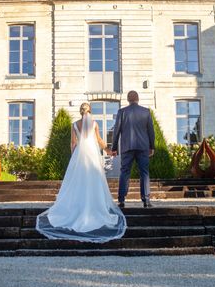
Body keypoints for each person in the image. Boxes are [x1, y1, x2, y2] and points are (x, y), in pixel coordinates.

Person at [36, 102, 126, 242]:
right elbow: (99, 140)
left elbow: (73, 143)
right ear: (89, 111)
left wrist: (74, 157)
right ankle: (94, 207)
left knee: (77, 182)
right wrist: (108, 150)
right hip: (92, 155)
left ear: (80, 112)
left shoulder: (74, 125)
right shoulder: (94, 124)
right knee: (93, 180)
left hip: (80, 155)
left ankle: (77, 207)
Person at [111, 91, 155, 208]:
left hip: (127, 147)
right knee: (144, 173)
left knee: (124, 172)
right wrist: (152, 147)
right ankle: (146, 200)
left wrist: (114, 147)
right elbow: (151, 131)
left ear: (128, 99)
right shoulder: (146, 112)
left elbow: (116, 131)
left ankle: (121, 200)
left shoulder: (122, 112)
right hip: (143, 147)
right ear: (138, 99)